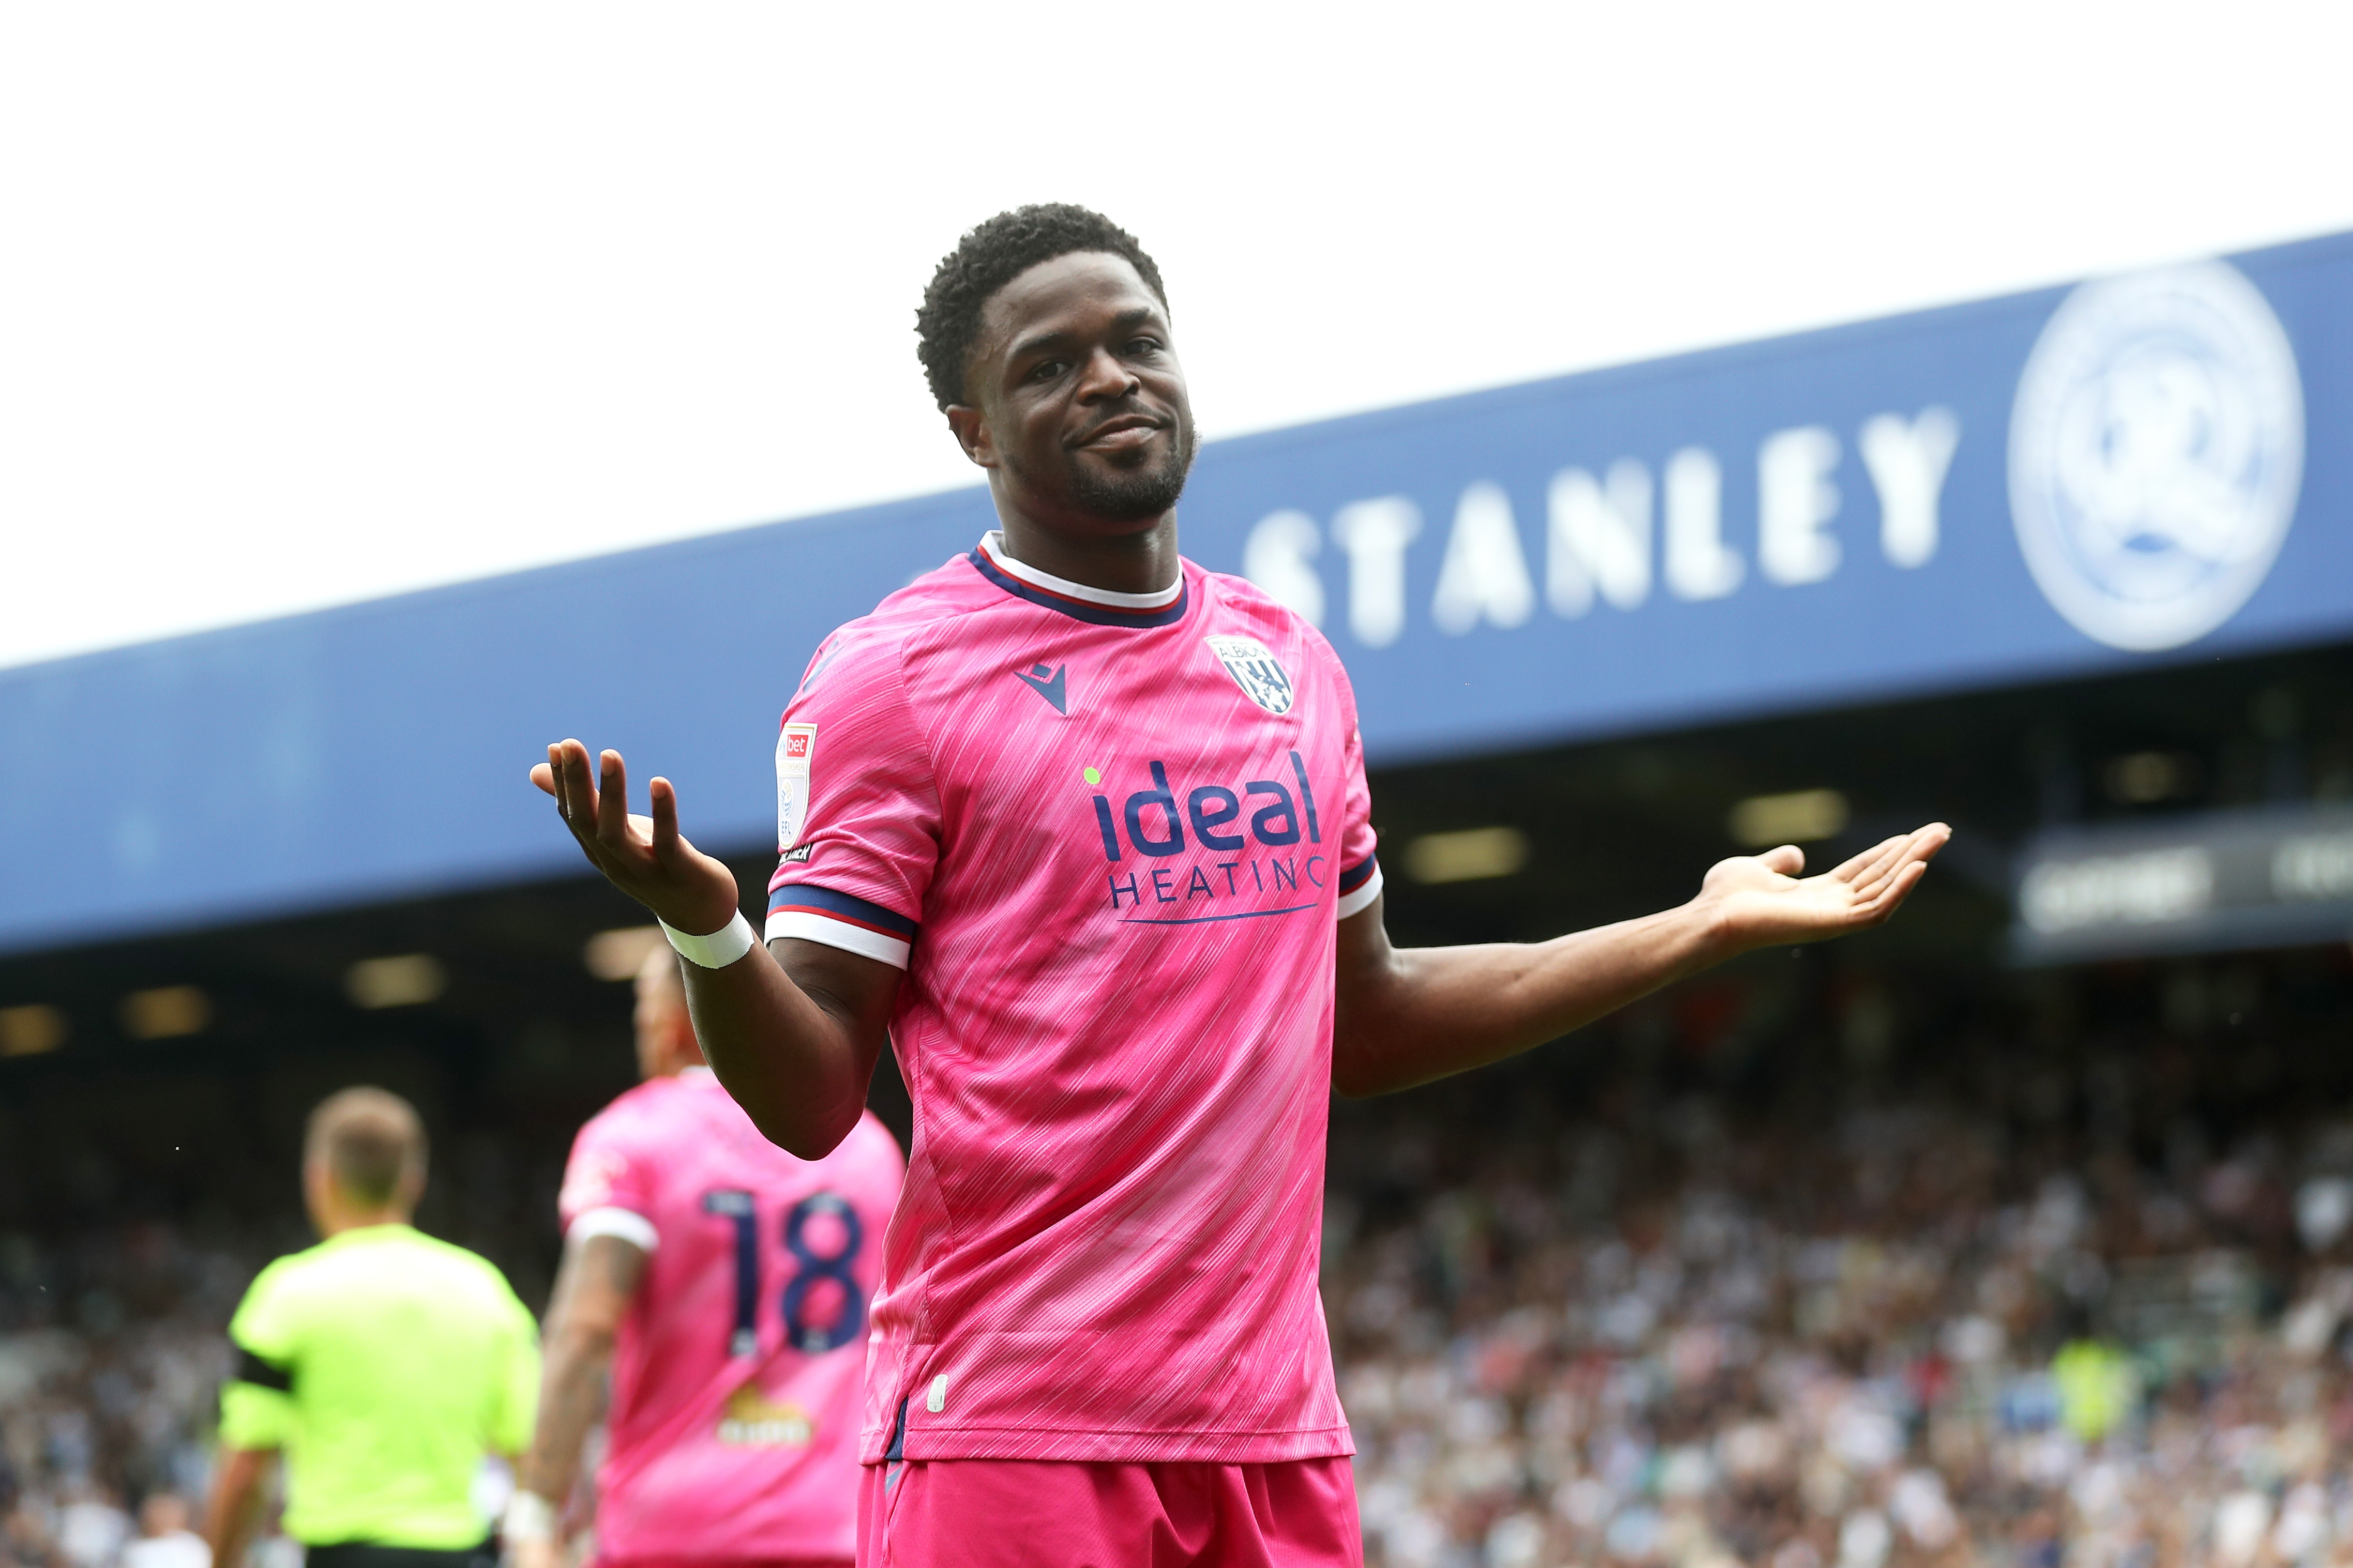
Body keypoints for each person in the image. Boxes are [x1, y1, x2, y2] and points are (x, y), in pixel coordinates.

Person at [529, 203, 1950, 1567]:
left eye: (1134, 341)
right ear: (970, 428)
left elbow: (1372, 1018)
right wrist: (707, 928)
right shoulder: (892, 681)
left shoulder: (1292, 670)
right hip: (1013, 1436)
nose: (1108, 379)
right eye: (1047, 364)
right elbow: (815, 1096)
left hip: (1273, 1441)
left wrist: (1690, 927)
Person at [503, 945, 901, 1568]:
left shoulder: (636, 1136)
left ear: (671, 1023)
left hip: (675, 1531)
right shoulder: (871, 1149)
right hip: (837, 1526)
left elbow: (585, 1331)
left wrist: (535, 1514)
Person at [204, 1089, 538, 1568]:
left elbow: (245, 1470)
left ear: (319, 1179)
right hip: (462, 1556)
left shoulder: (288, 1293)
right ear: (414, 1181)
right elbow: (530, 1455)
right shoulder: (484, 1290)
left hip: (343, 1556)